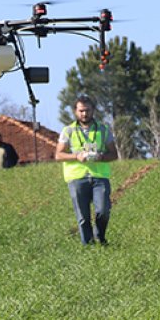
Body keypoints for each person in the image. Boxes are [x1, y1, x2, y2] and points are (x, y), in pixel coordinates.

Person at [54, 96, 117, 246]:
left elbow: (114, 154)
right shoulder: (68, 130)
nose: (84, 114)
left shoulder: (103, 129)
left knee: (103, 211)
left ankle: (100, 237)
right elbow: (58, 155)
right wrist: (76, 156)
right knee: (83, 217)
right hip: (77, 177)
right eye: (81, 111)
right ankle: (88, 246)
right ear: (75, 112)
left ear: (93, 110)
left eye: (87, 110)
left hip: (99, 176)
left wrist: (101, 157)